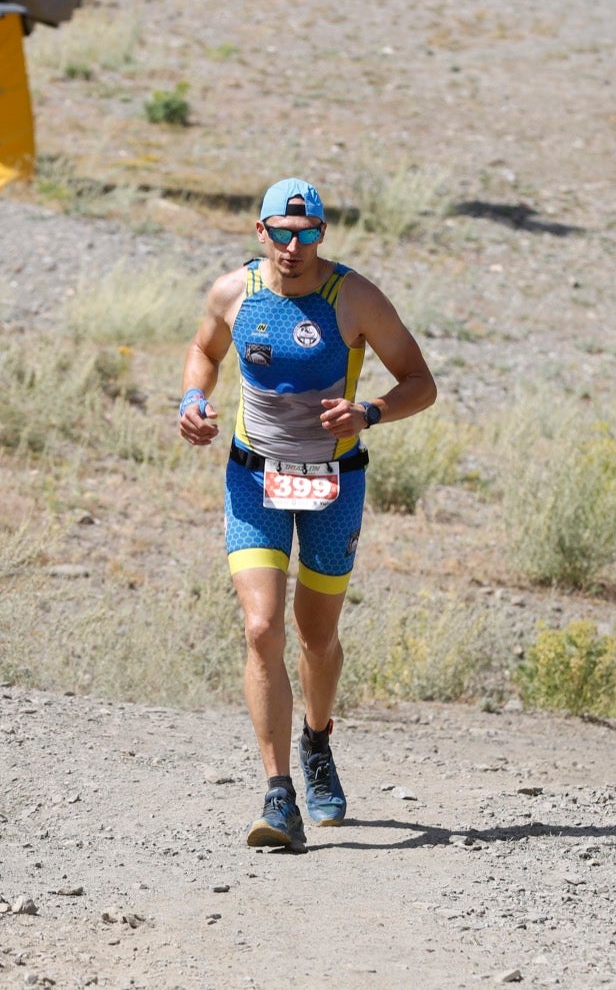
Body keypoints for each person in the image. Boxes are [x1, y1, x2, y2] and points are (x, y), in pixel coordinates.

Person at [178, 178, 437, 850]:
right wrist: (191, 401)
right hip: (254, 478)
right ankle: (278, 792)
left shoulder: (353, 298)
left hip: (332, 483)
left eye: (308, 233)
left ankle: (317, 741)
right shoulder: (232, 293)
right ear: (259, 231)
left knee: (315, 638)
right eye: (281, 233)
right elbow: (205, 353)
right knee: (261, 626)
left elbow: (420, 381)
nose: (294, 247)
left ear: (323, 234)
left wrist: (371, 411)